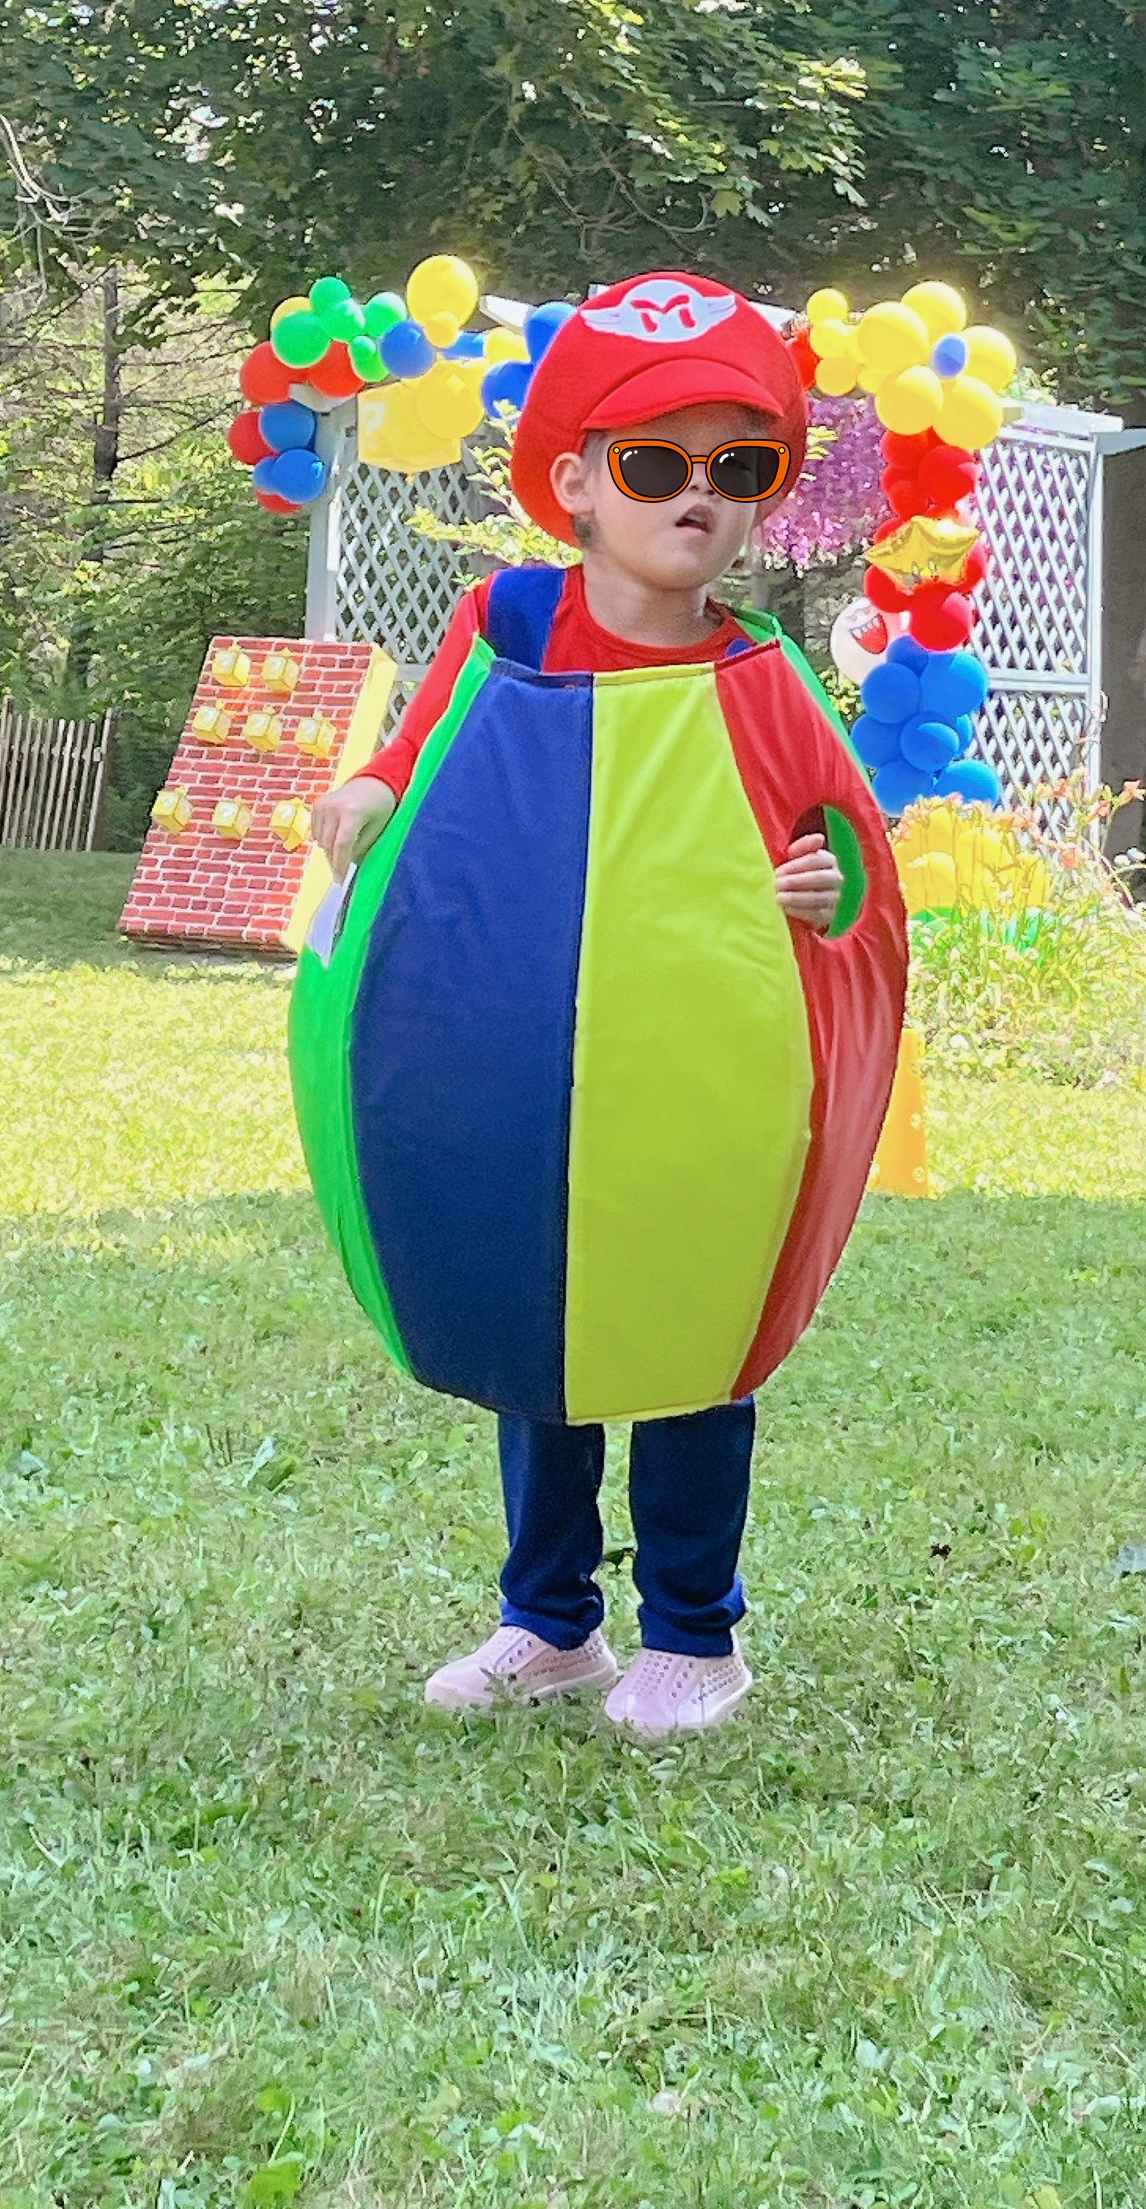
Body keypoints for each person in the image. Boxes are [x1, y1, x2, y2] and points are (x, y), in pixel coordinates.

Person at [310, 273, 844, 1744]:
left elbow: (843, 849)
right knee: (537, 1322)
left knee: (688, 1333)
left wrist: (819, 886)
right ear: (578, 486)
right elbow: (423, 745)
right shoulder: (509, 624)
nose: (700, 495)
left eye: (739, 467)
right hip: (521, 1045)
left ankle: (695, 1635)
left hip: (695, 1067)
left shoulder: (758, 674)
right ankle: (551, 1621)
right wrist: (368, 791)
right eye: (658, 463)